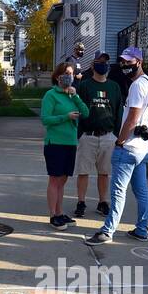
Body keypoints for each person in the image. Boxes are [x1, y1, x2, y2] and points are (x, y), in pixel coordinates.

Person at [85, 46, 148, 245]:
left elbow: (132, 119)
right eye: (123, 62)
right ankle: (142, 229)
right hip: (144, 148)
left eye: (129, 62)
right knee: (141, 191)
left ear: (139, 62)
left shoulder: (137, 86)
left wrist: (120, 141)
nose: (125, 65)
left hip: (130, 148)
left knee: (118, 192)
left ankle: (107, 231)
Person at [41, 61, 90, 230]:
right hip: (55, 143)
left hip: (70, 142)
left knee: (62, 180)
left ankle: (60, 212)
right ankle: (53, 215)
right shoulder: (51, 95)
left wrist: (75, 95)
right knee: (55, 179)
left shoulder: (71, 95)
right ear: (57, 76)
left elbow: (86, 112)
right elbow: (45, 119)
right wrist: (66, 116)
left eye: (71, 73)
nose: (69, 76)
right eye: (66, 73)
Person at [73, 51, 122, 219]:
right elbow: (78, 108)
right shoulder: (85, 86)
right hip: (88, 135)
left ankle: (103, 202)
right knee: (83, 171)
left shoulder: (114, 87)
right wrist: (80, 134)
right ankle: (81, 202)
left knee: (104, 172)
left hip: (108, 136)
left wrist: (116, 135)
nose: (103, 64)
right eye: (99, 61)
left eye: (105, 62)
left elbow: (118, 112)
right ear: (93, 65)